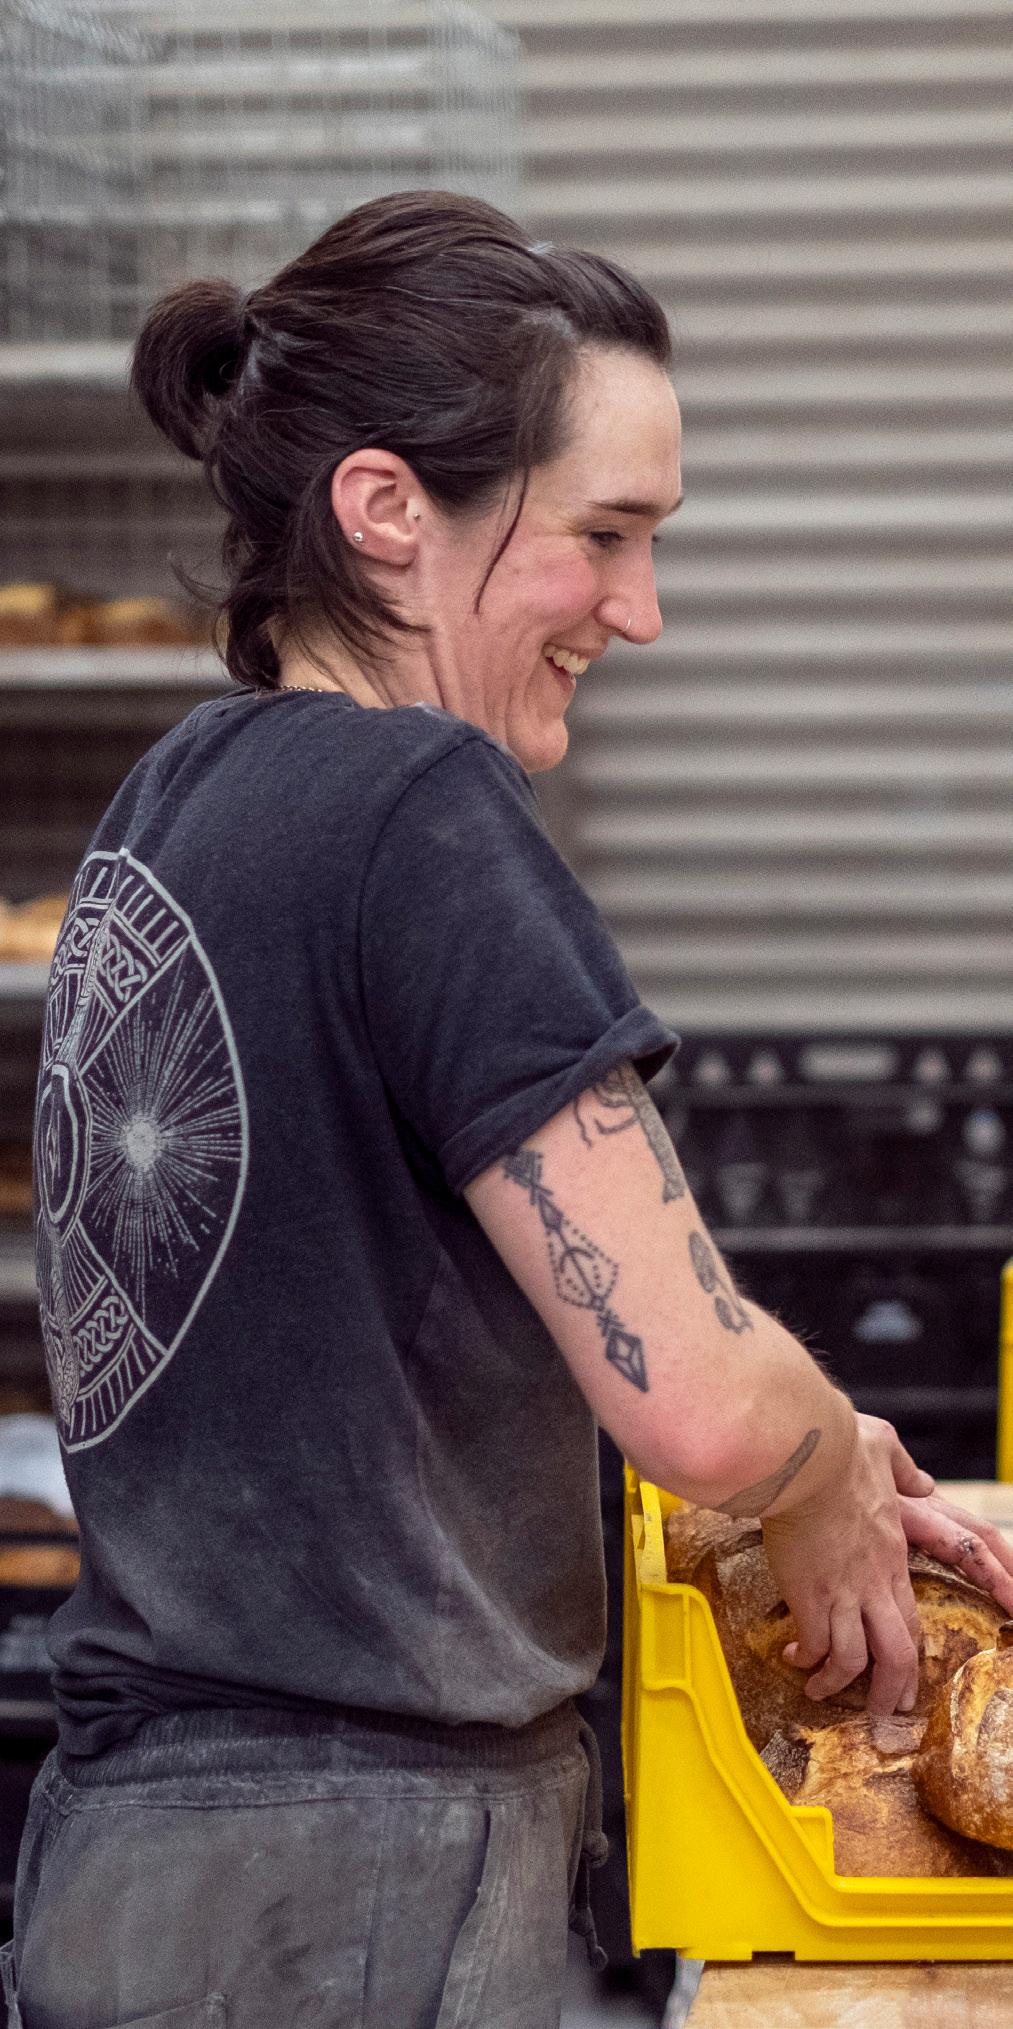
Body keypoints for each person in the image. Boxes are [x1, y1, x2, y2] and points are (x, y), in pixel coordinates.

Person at [7, 189, 1013, 2029]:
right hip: (357, 1887)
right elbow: (693, 1401)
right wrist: (805, 1468)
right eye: (602, 537)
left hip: (139, 1865)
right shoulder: (420, 813)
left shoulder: (174, 807)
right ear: (386, 509)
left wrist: (814, 1446)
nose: (640, 611)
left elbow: (364, 1329)